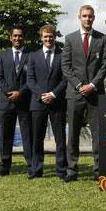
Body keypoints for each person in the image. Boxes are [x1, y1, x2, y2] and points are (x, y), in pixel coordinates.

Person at [61, 5, 106, 182]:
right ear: (79, 17)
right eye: (84, 16)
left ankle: (99, 171)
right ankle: (72, 170)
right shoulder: (70, 39)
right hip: (74, 94)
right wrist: (79, 85)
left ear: (94, 18)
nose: (88, 19)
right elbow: (65, 67)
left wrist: (92, 85)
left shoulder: (102, 39)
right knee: (73, 134)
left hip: (95, 93)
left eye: (90, 16)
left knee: (98, 134)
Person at [27, 24, 68, 179]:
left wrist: (53, 94)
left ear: (54, 37)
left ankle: (61, 170)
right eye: (45, 36)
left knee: (60, 138)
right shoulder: (33, 56)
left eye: (51, 36)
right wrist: (42, 95)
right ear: (41, 38)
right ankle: (36, 169)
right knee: (37, 138)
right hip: (38, 103)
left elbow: (65, 79)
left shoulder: (62, 55)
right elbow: (30, 80)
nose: (48, 39)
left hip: (57, 102)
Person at [0, 25, 32, 176]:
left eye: (20, 36)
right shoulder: (2, 56)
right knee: (5, 135)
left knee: (28, 135)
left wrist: (20, 92)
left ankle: (31, 164)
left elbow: (32, 78)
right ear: (10, 38)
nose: (17, 38)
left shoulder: (31, 55)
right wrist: (10, 92)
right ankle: (4, 165)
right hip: (6, 101)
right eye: (15, 36)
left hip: (25, 101)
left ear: (24, 38)